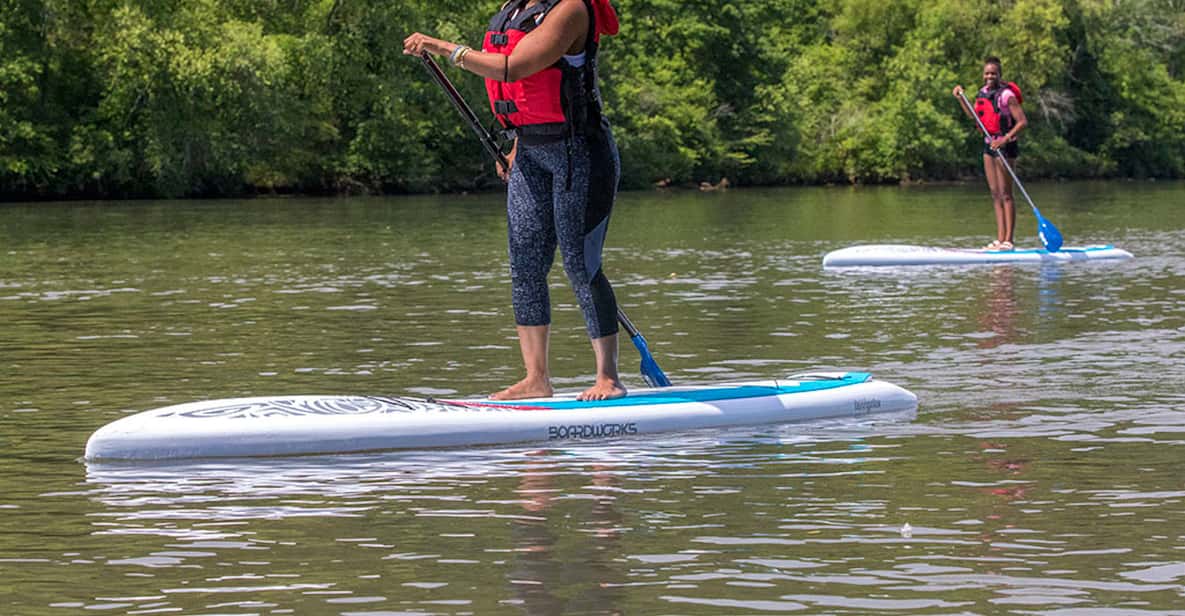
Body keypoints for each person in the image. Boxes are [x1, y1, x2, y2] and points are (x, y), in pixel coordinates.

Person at [403, 0, 626, 401]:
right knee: (525, 267)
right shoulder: (514, 9)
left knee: (581, 264)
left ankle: (607, 377)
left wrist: (440, 46)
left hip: (580, 153)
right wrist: (517, 146)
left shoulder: (571, 9)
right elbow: (527, 95)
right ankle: (536, 378)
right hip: (530, 154)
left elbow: (513, 68)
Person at [953, 56, 1029, 251]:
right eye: (987, 73)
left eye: (993, 73)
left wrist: (1004, 139)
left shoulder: (1007, 96)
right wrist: (961, 98)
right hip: (989, 145)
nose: (989, 76)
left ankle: (1008, 240)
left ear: (999, 75)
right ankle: (1000, 238)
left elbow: (1022, 122)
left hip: (1005, 146)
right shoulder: (983, 93)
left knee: (1006, 193)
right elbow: (973, 115)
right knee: (995, 193)